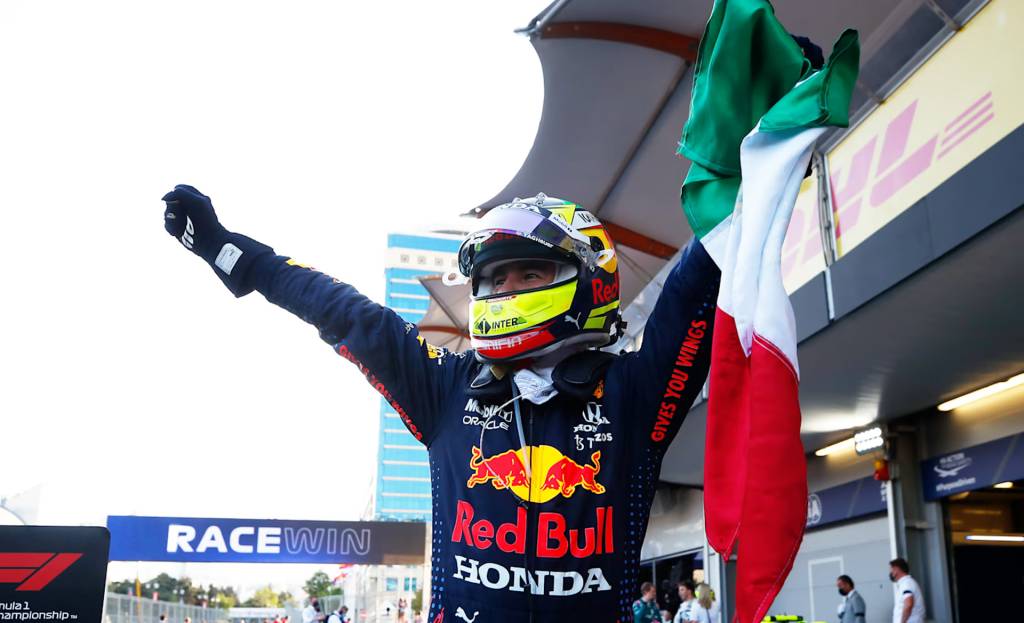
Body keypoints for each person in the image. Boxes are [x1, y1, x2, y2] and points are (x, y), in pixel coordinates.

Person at [163, 188, 719, 622]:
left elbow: (697, 280)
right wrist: (235, 254)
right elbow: (348, 314)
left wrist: (760, 143)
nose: (505, 291)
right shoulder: (448, 389)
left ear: (588, 278)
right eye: (495, 279)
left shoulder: (633, 394)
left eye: (529, 272)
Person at [889, 558, 925, 623]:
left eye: (891, 569)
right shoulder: (906, 583)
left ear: (896, 569)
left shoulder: (906, 584)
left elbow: (908, 604)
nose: (890, 572)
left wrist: (902, 622)